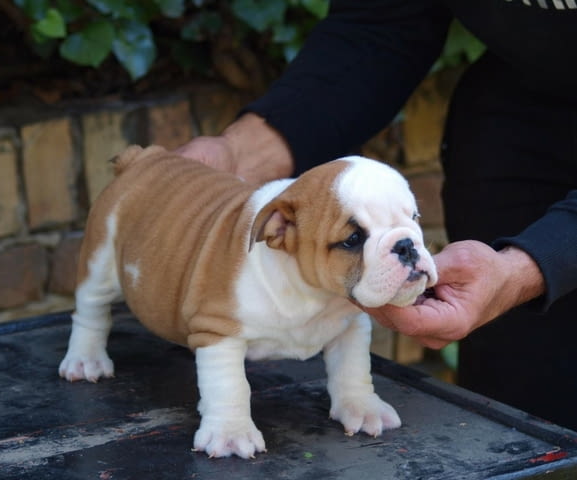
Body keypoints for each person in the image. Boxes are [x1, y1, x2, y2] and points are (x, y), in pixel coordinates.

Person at [175, 1, 577, 430]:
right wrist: (242, 150)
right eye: (352, 239)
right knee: (520, 416)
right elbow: (383, 21)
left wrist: (532, 263)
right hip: (526, 118)